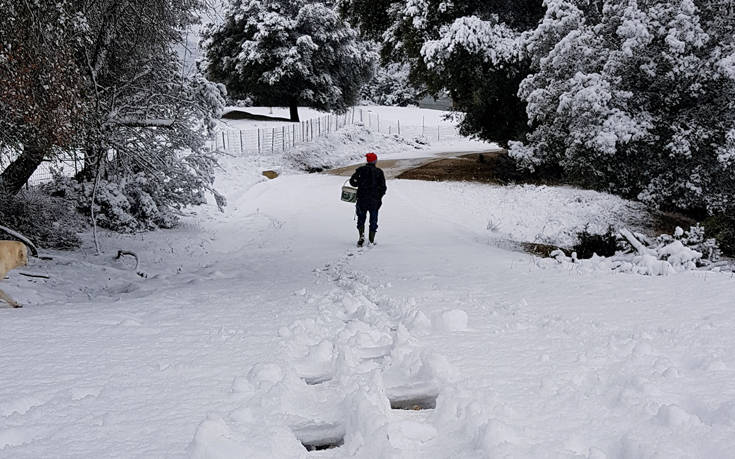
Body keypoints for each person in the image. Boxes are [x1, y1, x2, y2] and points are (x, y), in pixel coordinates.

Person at [349, 152, 386, 247]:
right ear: (375, 161)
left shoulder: (360, 170)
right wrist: (379, 197)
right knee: (373, 220)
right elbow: (383, 188)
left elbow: (352, 182)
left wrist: (358, 183)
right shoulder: (379, 172)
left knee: (361, 219)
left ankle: (361, 236)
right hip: (374, 201)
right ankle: (371, 240)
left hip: (362, 199)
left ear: (367, 160)